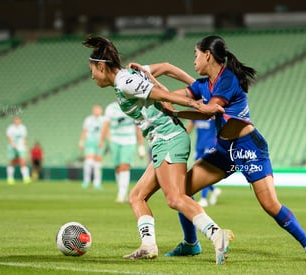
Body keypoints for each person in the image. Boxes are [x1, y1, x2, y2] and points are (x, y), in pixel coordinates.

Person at [130, 35, 306, 263]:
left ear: (207, 55)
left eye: (195, 55)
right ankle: (191, 244)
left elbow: (211, 109)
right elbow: (172, 97)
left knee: (270, 205)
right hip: (224, 150)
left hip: (248, 148)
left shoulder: (228, 79)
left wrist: (176, 108)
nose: (193, 61)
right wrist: (149, 81)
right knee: (182, 192)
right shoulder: (203, 85)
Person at [82, 34, 233, 265]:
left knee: (174, 198)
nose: (91, 75)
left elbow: (159, 94)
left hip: (168, 138)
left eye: (92, 69)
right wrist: (194, 85)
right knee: (136, 197)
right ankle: (148, 246)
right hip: (163, 140)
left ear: (101, 66)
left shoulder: (124, 81)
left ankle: (216, 235)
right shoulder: (129, 75)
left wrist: (194, 102)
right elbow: (166, 67)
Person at [99, 101, 146, 203]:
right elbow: (106, 125)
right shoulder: (111, 108)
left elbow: (137, 126)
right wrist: (102, 140)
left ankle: (122, 194)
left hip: (129, 140)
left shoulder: (133, 105)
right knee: (118, 167)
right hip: (115, 140)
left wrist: (141, 145)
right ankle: (122, 191)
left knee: (125, 165)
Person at [186, 119, 222, 207]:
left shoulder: (211, 112)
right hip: (199, 146)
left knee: (204, 170)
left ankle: (203, 198)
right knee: (197, 170)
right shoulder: (196, 112)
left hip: (210, 145)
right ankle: (213, 190)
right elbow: (189, 127)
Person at [79, 104, 105, 189]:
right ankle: (86, 180)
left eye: (98, 110)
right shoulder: (88, 120)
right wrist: (81, 142)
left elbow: (105, 131)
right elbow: (84, 131)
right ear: (93, 111)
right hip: (90, 142)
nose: (97, 111)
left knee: (98, 163)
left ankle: (97, 182)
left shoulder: (104, 120)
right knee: (89, 161)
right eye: (95, 109)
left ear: (101, 111)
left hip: (99, 143)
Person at [6, 116, 31, 184]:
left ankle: (26, 178)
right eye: (16, 120)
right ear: (13, 121)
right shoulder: (10, 128)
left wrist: (25, 146)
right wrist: (13, 145)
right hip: (12, 147)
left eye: (18, 120)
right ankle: (10, 178)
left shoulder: (23, 127)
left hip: (21, 147)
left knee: (23, 162)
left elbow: (24, 138)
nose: (17, 121)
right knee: (12, 162)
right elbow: (9, 138)